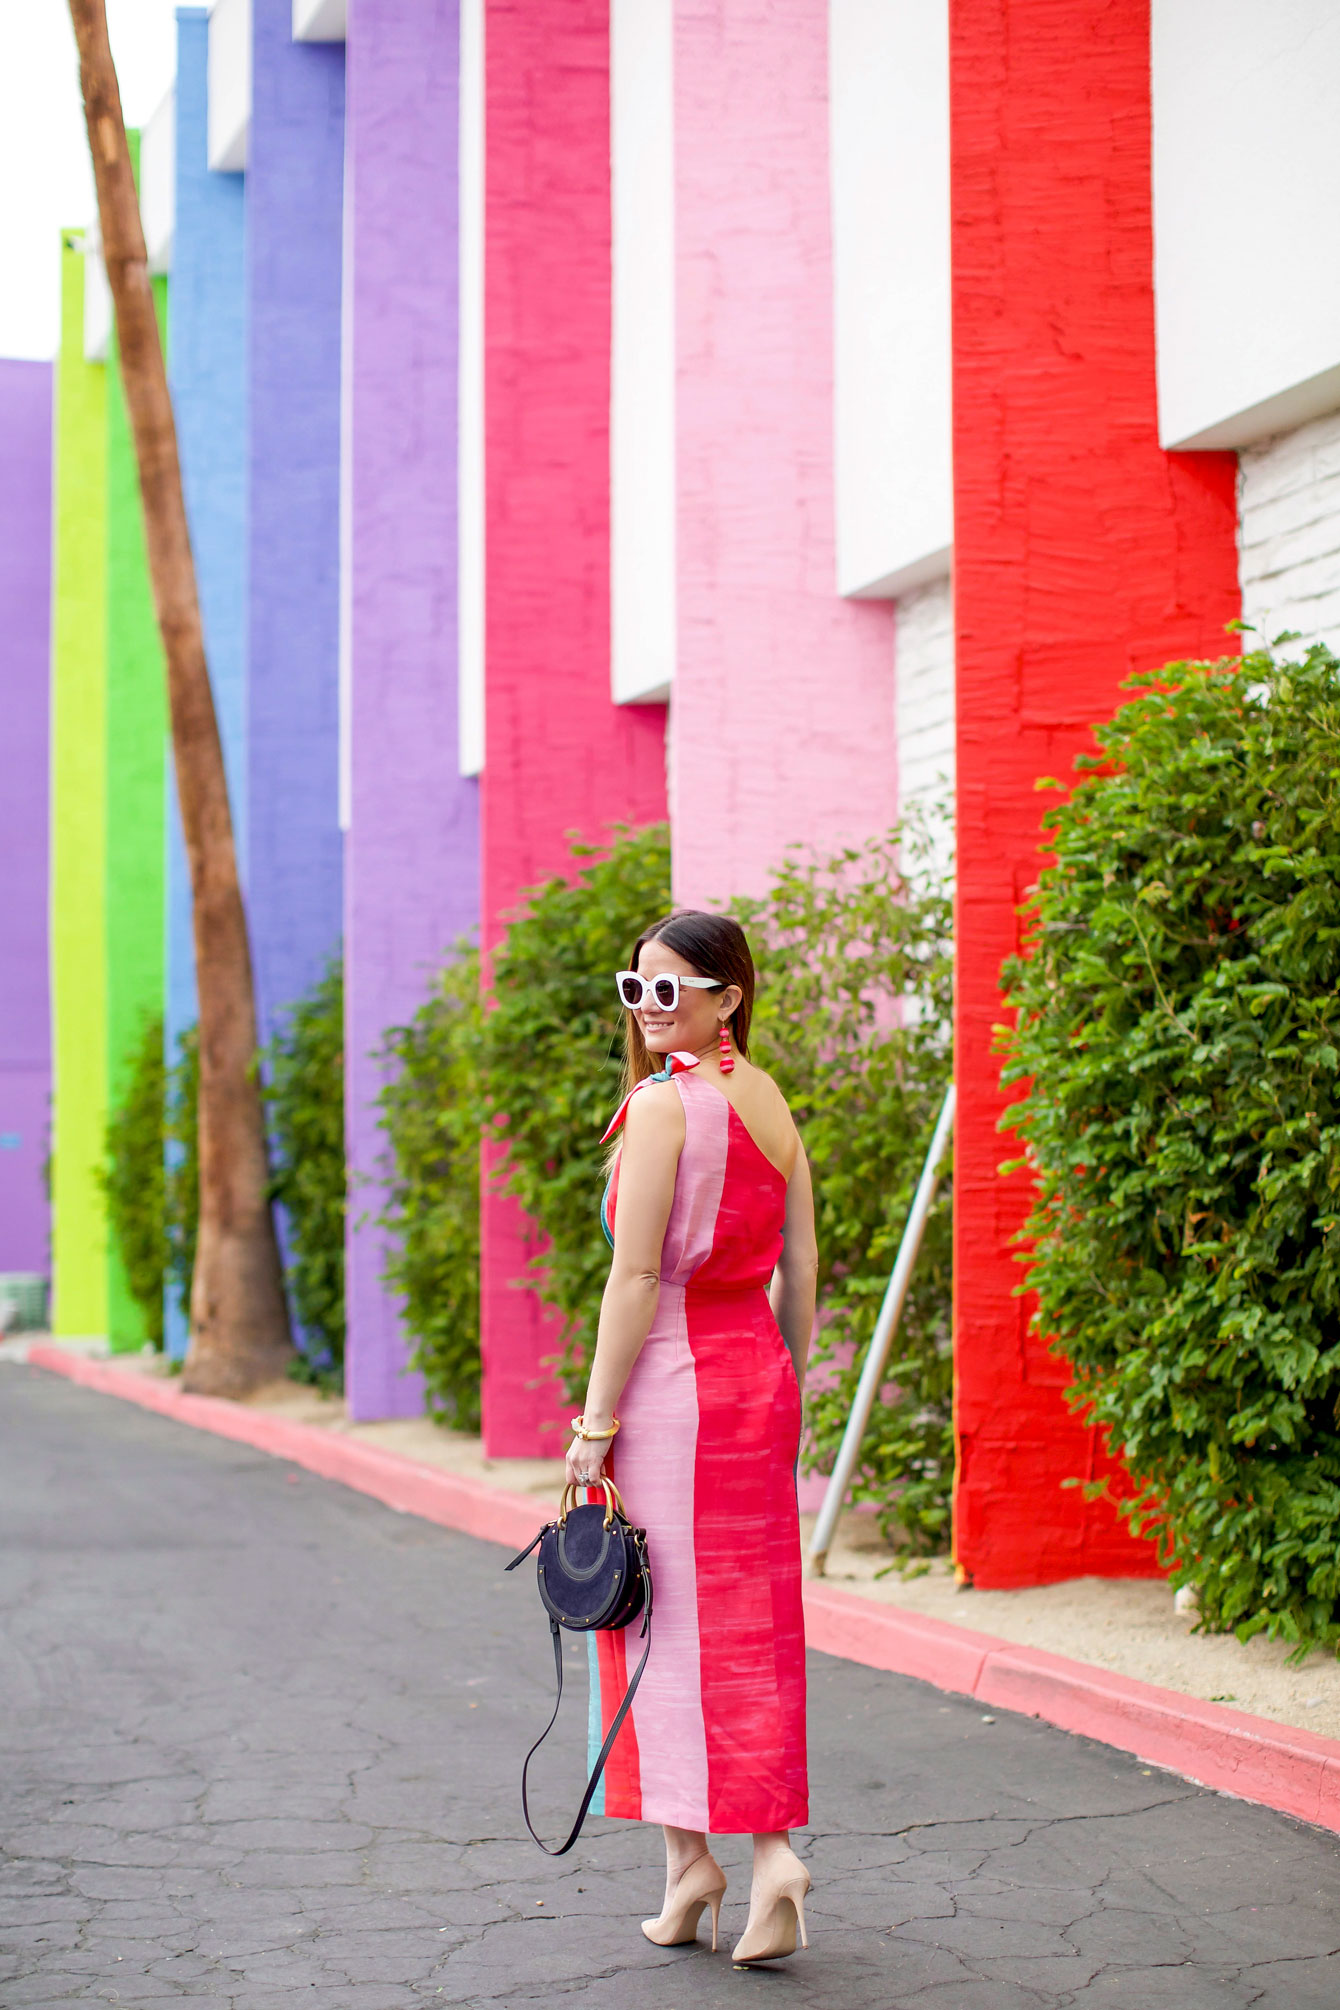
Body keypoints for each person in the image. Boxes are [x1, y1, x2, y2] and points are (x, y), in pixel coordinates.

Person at [567, 909, 819, 1964]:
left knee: (657, 1625)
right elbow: (800, 1273)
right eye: (637, 990)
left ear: (728, 995)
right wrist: (784, 1388)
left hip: (669, 1391)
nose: (650, 1008)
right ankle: (729, 1864)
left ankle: (717, 1863)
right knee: (747, 1626)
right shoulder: (767, 1103)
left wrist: (592, 1424)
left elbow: (632, 1279)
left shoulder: (663, 1108)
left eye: (670, 989)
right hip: (753, 1381)